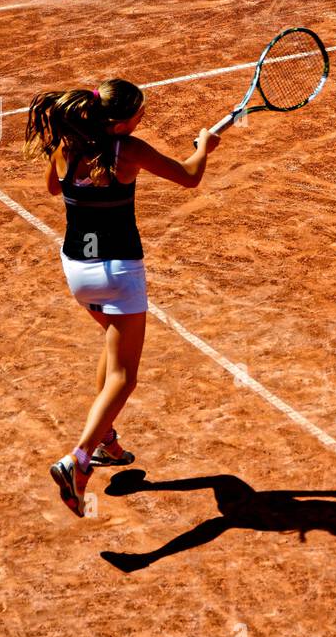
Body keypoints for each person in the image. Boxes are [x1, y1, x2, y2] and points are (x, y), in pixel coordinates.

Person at [22, 79, 219, 517]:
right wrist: (204, 145)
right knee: (125, 377)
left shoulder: (66, 147)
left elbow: (54, 190)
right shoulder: (129, 150)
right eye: (140, 112)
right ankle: (79, 459)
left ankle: (106, 441)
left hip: (78, 272)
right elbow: (190, 177)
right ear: (125, 120)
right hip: (120, 274)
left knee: (112, 346)